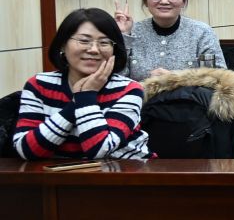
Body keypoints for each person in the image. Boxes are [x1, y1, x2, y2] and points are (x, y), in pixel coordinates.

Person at [14, 8, 152, 160]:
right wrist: (76, 103)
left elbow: (100, 150)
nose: (93, 50)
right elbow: (26, 151)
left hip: (128, 171)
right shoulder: (38, 85)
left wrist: (86, 96)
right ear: (63, 45)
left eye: (104, 42)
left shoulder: (128, 90)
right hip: (57, 173)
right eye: (84, 41)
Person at [113, 0, 226, 77]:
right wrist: (123, 36)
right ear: (146, 1)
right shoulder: (132, 31)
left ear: (184, 1)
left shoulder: (202, 32)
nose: (164, 1)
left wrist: (175, 79)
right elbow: (116, 78)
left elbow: (218, 78)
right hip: (140, 93)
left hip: (187, 93)